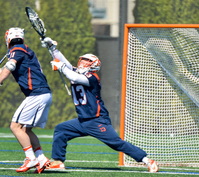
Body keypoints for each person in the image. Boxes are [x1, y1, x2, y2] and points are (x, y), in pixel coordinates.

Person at [41, 37, 159, 173]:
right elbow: (64, 63)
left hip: (97, 120)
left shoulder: (92, 78)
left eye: (87, 61)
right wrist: (52, 48)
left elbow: (73, 76)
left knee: (116, 143)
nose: (83, 62)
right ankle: (58, 162)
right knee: (61, 129)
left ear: (93, 65)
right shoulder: (75, 71)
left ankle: (147, 161)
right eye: (83, 60)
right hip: (82, 121)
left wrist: (62, 68)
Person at [0, 27, 52, 173]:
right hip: (44, 93)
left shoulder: (16, 49)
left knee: (15, 127)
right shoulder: (25, 49)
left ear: (8, 39)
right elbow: (6, 68)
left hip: (36, 94)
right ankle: (41, 159)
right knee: (26, 130)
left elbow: (10, 66)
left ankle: (30, 158)